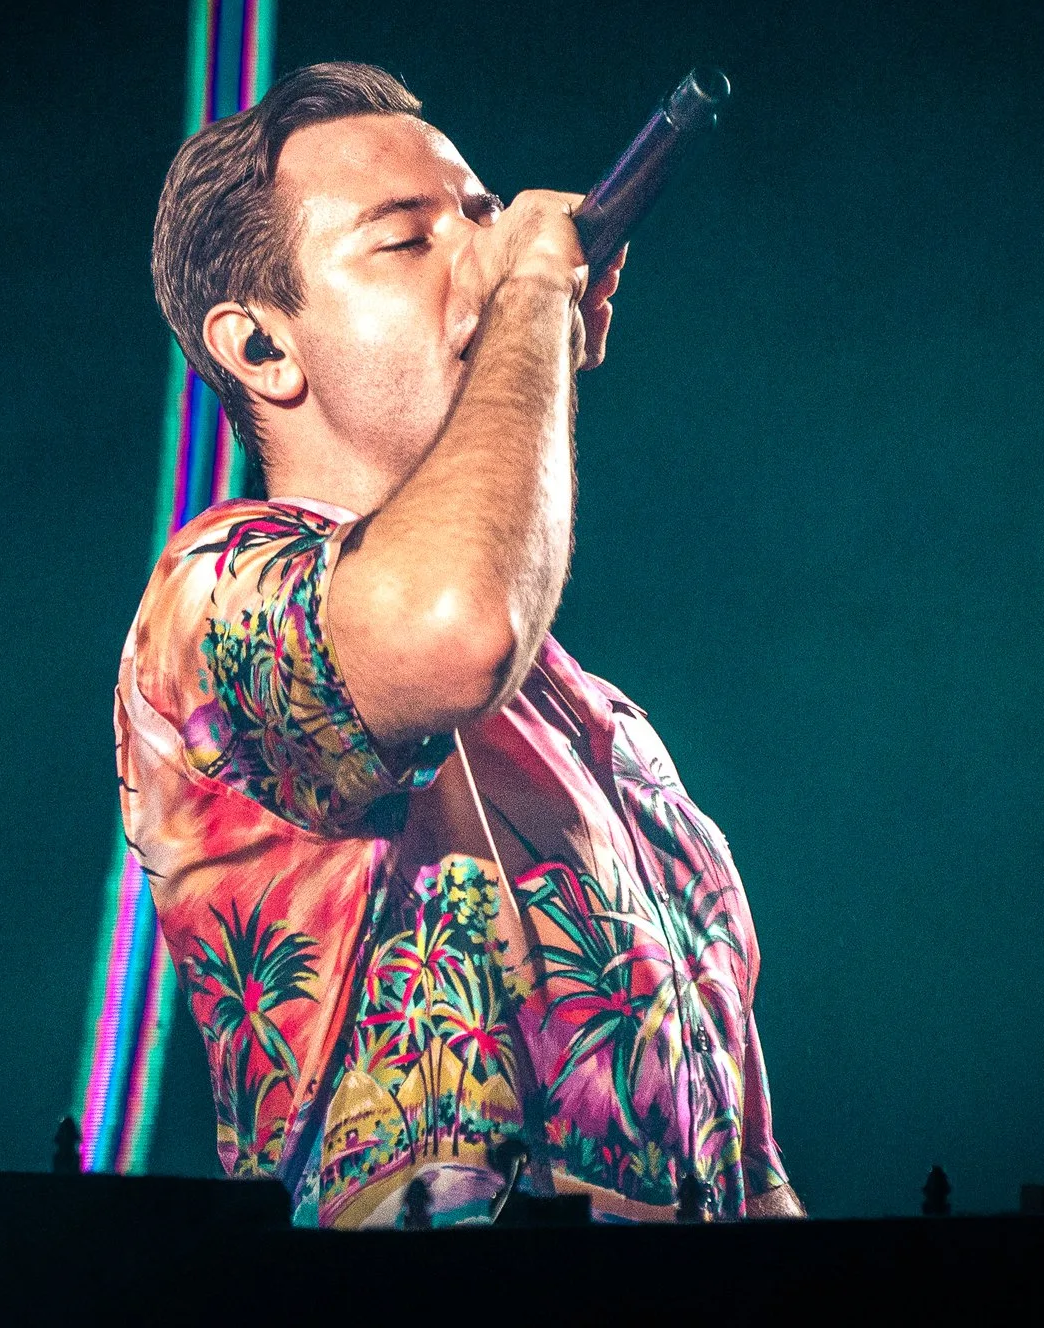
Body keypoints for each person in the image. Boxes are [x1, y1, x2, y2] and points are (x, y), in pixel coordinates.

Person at [115, 62, 800, 1226]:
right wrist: (530, 294)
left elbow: (749, 1178)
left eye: (485, 220)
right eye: (405, 240)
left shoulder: (613, 731)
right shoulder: (213, 591)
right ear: (263, 347)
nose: (484, 256)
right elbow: (459, 626)